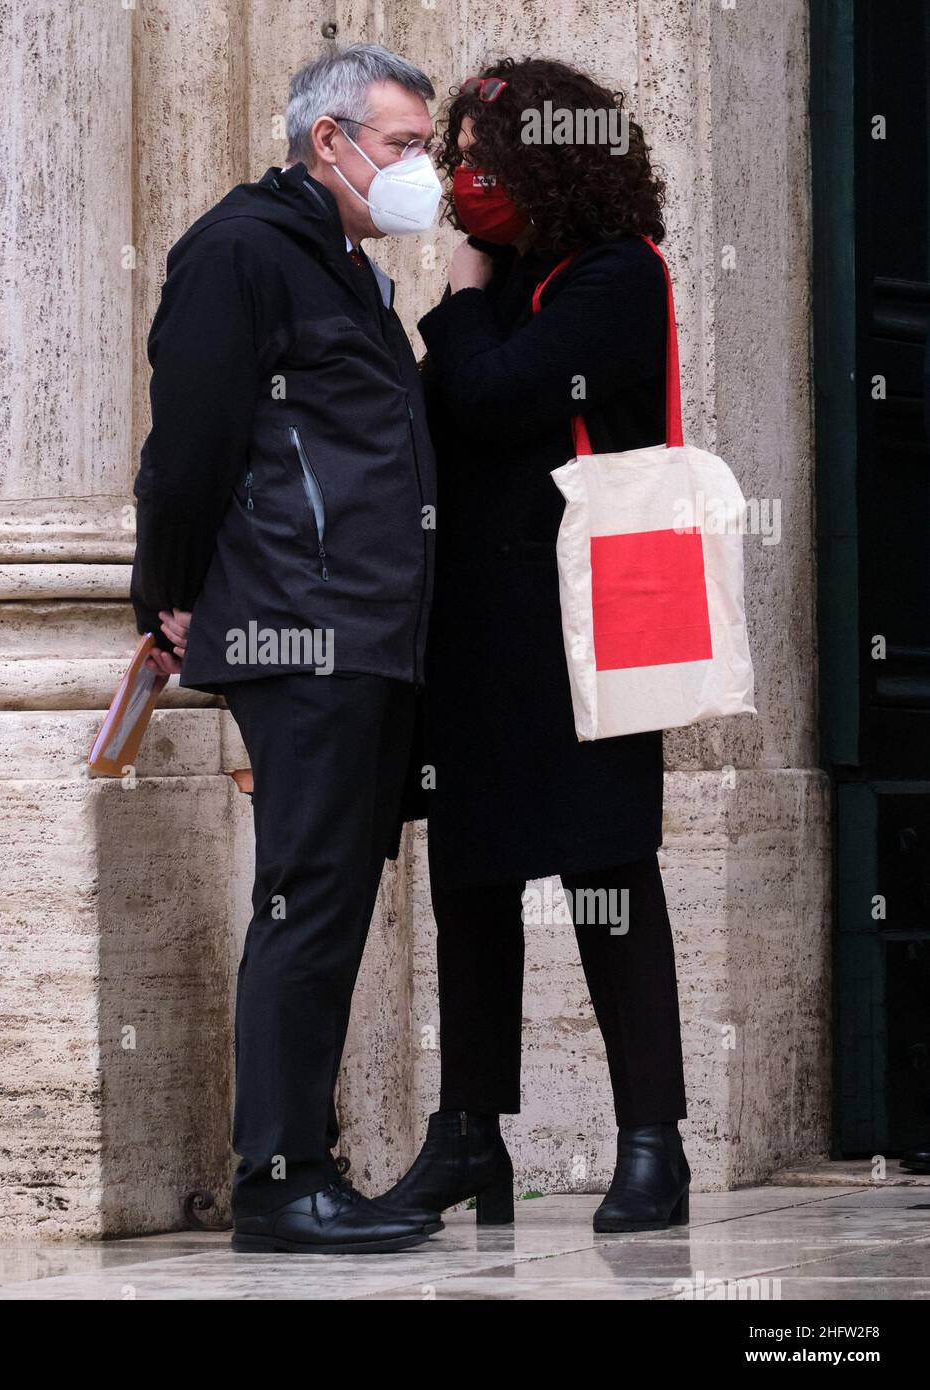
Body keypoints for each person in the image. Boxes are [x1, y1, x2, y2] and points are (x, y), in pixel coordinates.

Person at [131, 43, 444, 1253]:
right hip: (298, 630)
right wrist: (165, 592)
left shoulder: (348, 269)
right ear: (331, 141)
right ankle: (277, 1176)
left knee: (329, 896)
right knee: (305, 896)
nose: (424, 172)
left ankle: (305, 1156)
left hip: (364, 631)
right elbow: (190, 443)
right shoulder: (241, 252)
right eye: (407, 147)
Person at [374, 57, 692, 1233]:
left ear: (558, 159)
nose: (465, 179)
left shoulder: (616, 275)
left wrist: (456, 303)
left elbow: (499, 398)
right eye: (456, 156)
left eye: (487, 158)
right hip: (471, 631)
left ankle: (651, 1141)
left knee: (609, 873)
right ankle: (469, 1135)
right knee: (469, 879)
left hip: (582, 628)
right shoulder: (502, 285)